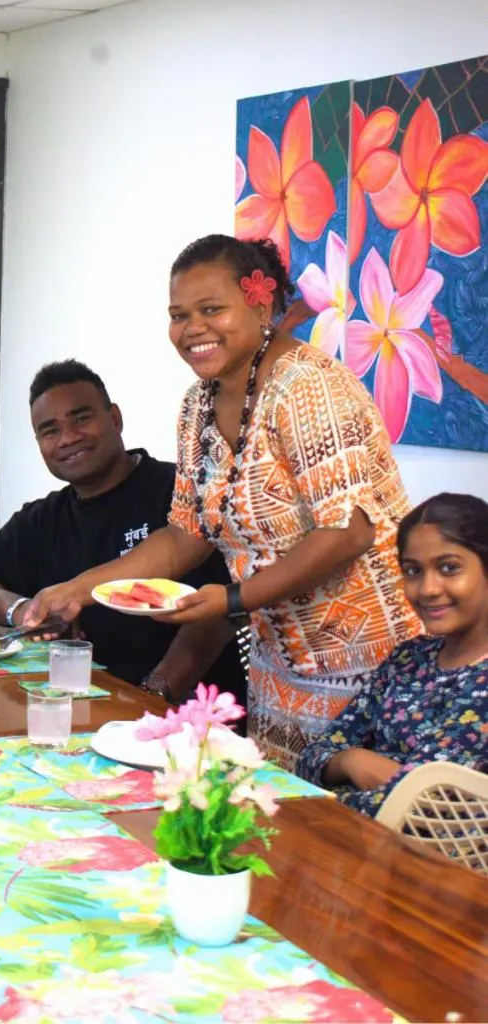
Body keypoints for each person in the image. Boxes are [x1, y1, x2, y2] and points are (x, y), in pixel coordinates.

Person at [23, 235, 420, 770]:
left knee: (346, 840)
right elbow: (185, 535)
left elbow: (348, 531)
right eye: (178, 314)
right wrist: (76, 591)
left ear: (260, 303)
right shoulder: (198, 406)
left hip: (367, 663)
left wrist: (232, 599)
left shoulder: (308, 388)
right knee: (279, 829)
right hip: (280, 665)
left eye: (211, 309)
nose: (192, 330)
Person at [0, 359, 239, 695]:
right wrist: (22, 609)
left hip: (181, 717)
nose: (67, 438)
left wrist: (153, 695)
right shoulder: (43, 518)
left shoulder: (180, 493)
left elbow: (216, 617)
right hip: (81, 699)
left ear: (115, 418)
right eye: (50, 430)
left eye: (81, 418)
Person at [296, 493, 488, 816]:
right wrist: (352, 760)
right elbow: (313, 758)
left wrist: (332, 794)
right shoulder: (408, 660)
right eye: (413, 570)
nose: (427, 588)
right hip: (349, 846)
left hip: (436, 863)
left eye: (449, 567)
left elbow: (428, 812)